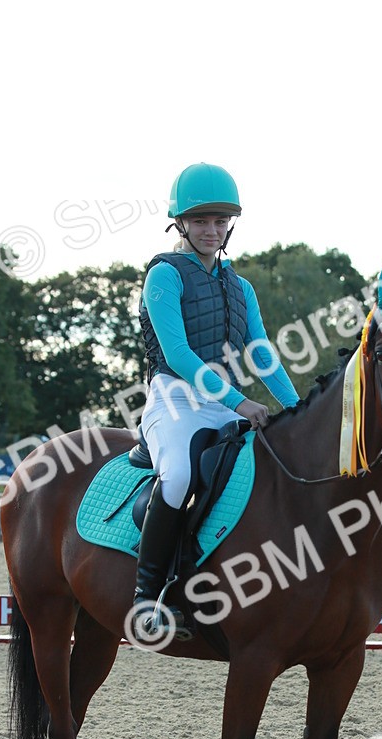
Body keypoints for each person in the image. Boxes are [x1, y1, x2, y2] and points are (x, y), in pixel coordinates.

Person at [134, 161, 300, 632]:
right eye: (202, 220)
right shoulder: (163, 277)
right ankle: (147, 596)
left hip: (222, 401)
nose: (212, 230)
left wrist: (295, 408)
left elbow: (262, 353)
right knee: (180, 475)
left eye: (220, 221)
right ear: (180, 223)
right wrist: (241, 403)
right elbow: (181, 356)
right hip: (175, 401)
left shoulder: (240, 286)